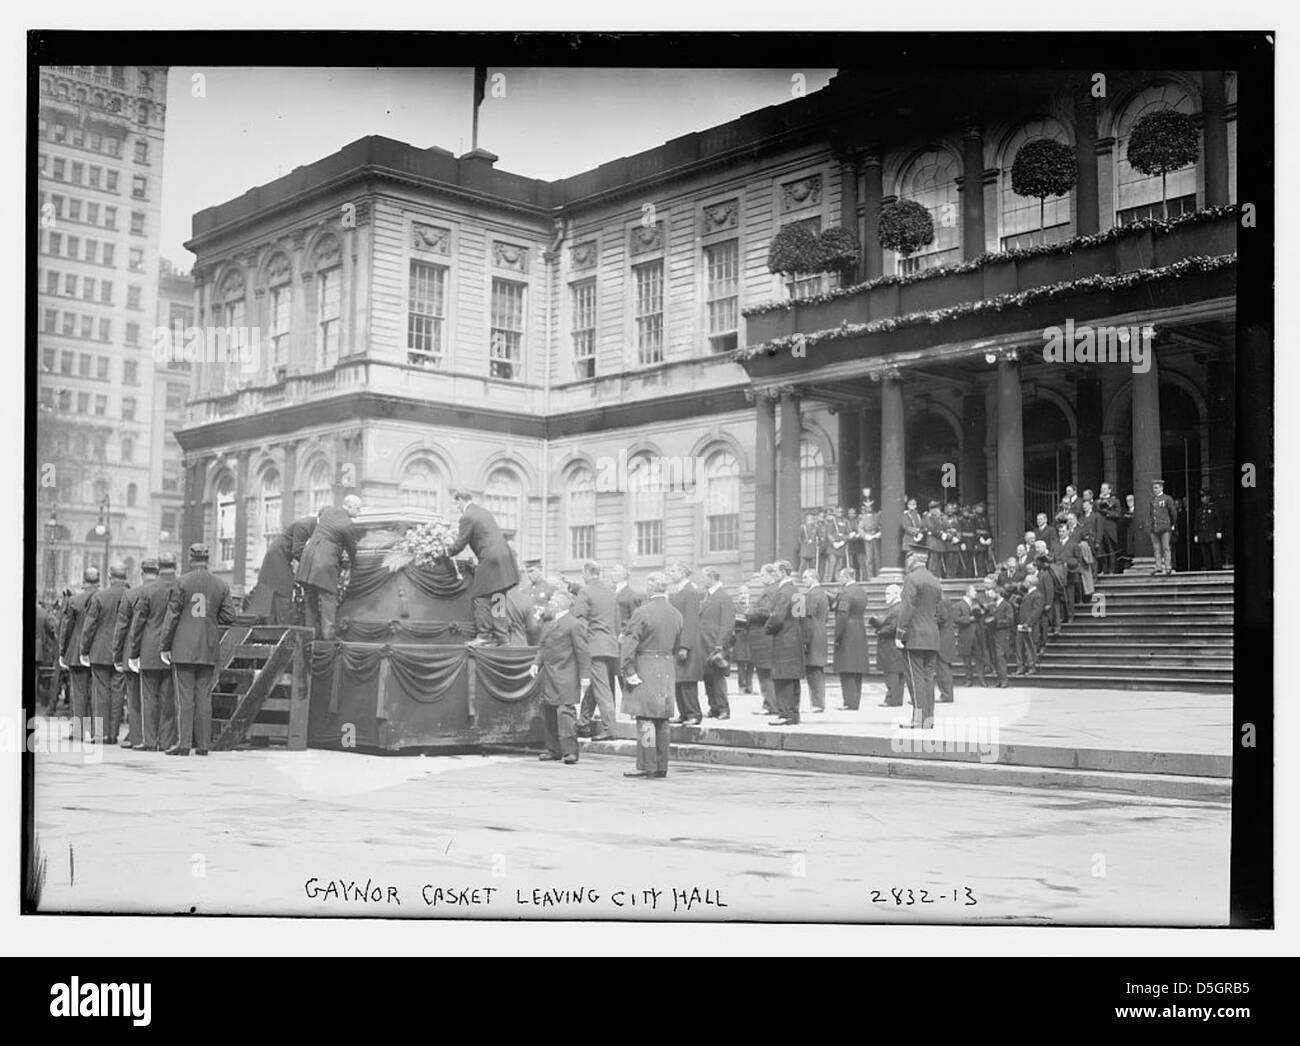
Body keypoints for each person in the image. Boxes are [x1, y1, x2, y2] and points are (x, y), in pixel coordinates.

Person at [160, 543, 236, 756]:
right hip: (208, 648)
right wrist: (211, 618)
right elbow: (230, 617)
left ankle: (183, 743)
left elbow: (172, 616)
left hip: (183, 648)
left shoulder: (181, 582)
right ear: (207, 559)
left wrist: (165, 645)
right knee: (204, 697)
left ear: (190, 559)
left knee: (184, 698)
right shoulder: (221, 585)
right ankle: (203, 745)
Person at [619, 572, 682, 780]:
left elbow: (629, 644)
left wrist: (628, 670)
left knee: (645, 718)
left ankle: (646, 764)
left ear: (651, 588)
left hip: (645, 666)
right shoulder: (676, 614)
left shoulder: (641, 613)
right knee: (663, 720)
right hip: (666, 666)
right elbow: (676, 644)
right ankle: (661, 765)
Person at [441, 489, 519, 645]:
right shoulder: (483, 512)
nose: (456, 507)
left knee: (480, 596)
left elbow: (460, 544)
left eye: (456, 503)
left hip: (490, 559)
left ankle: (483, 636)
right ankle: (502, 637)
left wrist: (445, 551)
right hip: (504, 559)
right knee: (498, 598)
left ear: (461, 500)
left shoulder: (467, 516)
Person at [529, 590, 590, 765]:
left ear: (561, 603)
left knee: (565, 713)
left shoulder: (574, 624)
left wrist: (585, 676)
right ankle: (553, 749)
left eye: (554, 600)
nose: (551, 603)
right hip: (550, 674)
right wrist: (535, 664)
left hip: (566, 675)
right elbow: (543, 647)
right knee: (549, 712)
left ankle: (570, 752)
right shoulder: (549, 623)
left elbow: (582, 652)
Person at [129, 552, 178, 751]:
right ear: (175, 565)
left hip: (149, 649)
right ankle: (165, 741)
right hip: (173, 649)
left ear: (158, 567)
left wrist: (133, 652)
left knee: (149, 698)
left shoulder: (148, 590)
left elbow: (138, 624)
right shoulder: (181, 586)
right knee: (168, 700)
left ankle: (150, 741)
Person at [296, 495, 361, 640]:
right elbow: (353, 550)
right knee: (328, 599)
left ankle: (309, 638)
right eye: (358, 508)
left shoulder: (328, 512)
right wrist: (356, 568)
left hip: (308, 559)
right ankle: (328, 640)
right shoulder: (347, 524)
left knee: (310, 601)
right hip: (324, 562)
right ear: (349, 506)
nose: (359, 512)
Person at [81, 562, 129, 745]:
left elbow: (89, 627)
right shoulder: (131, 595)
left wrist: (84, 650)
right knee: (118, 693)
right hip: (122, 651)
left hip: (100, 651)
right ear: (125, 577)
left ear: (110, 577)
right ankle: (113, 734)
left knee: (100, 692)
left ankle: (99, 734)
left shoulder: (100, 597)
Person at [896, 543, 942, 729]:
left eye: (908, 557)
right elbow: (939, 609)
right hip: (932, 634)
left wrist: (900, 632)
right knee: (928, 677)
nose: (907, 561)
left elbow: (907, 606)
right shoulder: (935, 580)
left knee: (915, 679)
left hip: (915, 635)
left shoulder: (911, 578)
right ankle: (928, 719)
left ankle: (918, 719)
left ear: (914, 558)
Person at [573, 561, 619, 741]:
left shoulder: (585, 591)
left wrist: (583, 642)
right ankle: (583, 723)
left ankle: (610, 729)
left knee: (601, 688)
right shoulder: (611, 593)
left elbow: (579, 620)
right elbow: (617, 620)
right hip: (610, 645)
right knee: (596, 685)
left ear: (586, 572)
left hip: (594, 645)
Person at [246, 514, 316, 624]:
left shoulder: (308, 524)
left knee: (276, 593)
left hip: (280, 558)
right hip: (279, 557)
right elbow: (297, 551)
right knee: (283, 591)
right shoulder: (304, 525)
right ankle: (282, 626)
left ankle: (275, 624)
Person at [112, 560, 151, 749]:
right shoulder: (169, 592)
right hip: (157, 654)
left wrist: (117, 654)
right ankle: (156, 737)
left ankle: (137, 738)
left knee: (134, 698)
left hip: (131, 652)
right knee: (158, 697)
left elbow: (122, 628)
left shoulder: (131, 594)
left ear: (142, 573)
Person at [59, 568, 99, 742]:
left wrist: (62, 651)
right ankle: (95, 731)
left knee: (78, 692)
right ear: (98, 580)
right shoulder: (102, 597)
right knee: (96, 692)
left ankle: (78, 731)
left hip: (76, 651)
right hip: (97, 651)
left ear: (84, 581)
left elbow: (66, 629)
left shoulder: (75, 601)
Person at [764, 561, 804, 726]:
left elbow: (777, 618)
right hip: (795, 638)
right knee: (793, 678)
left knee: (782, 677)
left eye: (775, 571)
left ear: (782, 572)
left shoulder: (782, 593)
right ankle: (793, 714)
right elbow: (801, 616)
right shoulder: (796, 591)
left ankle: (785, 714)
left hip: (783, 639)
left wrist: (767, 628)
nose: (774, 574)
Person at [667, 562, 704, 725]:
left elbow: (690, 621)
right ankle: (684, 713)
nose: (671, 573)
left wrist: (685, 646)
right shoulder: (679, 591)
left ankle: (694, 714)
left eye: (674, 570)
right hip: (677, 642)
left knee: (687, 680)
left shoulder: (690, 592)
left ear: (683, 572)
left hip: (686, 643)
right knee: (679, 679)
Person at [831, 567, 870, 710]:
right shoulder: (861, 592)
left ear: (847, 577)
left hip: (847, 632)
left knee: (846, 669)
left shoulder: (846, 593)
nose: (839, 580)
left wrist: (837, 635)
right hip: (860, 630)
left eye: (841, 577)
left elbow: (842, 615)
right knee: (857, 669)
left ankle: (849, 702)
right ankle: (855, 701)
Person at [699, 567, 735, 720]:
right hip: (705, 642)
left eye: (704, 577)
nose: (702, 580)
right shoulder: (708, 595)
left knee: (718, 677)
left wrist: (720, 644)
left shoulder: (723, 596)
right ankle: (713, 706)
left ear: (712, 577)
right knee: (708, 676)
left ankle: (723, 708)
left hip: (715, 643)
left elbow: (727, 623)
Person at [747, 564, 778, 715]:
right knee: (766, 674)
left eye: (762, 575)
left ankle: (770, 705)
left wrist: (750, 612)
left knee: (766, 674)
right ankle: (769, 704)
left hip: (764, 639)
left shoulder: (770, 591)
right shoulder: (771, 590)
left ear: (771, 575)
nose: (760, 578)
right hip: (765, 639)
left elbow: (765, 612)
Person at [869, 585, 906, 708]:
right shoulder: (898, 608)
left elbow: (892, 627)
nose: (886, 596)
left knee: (892, 673)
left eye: (888, 594)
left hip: (890, 646)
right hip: (895, 646)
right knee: (897, 674)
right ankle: (897, 699)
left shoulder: (896, 609)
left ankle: (891, 699)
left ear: (896, 594)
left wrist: (880, 630)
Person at [800, 568, 829, 713]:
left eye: (805, 577)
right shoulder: (822, 593)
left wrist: (804, 639)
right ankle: (818, 702)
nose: (803, 580)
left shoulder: (812, 594)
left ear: (813, 578)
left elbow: (807, 617)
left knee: (813, 670)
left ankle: (817, 703)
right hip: (821, 632)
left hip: (812, 634)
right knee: (817, 670)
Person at [952, 585, 988, 687]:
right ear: (967, 592)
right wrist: (970, 619)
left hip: (977, 635)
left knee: (979, 658)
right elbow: (956, 619)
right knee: (966, 659)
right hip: (966, 635)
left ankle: (982, 679)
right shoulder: (959, 605)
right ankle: (969, 679)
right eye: (973, 591)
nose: (975, 593)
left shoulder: (976, 604)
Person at [1147, 479, 1179, 576]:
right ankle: (1158, 566)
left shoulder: (1167, 499)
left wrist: (1172, 524)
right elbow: (1152, 514)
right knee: (1156, 548)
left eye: (1156, 488)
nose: (1155, 490)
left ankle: (1168, 566)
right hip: (1155, 527)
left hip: (1165, 526)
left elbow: (1173, 513)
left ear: (1161, 488)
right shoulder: (1152, 500)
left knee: (1166, 547)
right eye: (1154, 488)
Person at [1014, 574, 1043, 676]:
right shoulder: (1027, 594)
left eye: (1026, 581)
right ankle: (1020, 667)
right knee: (1019, 646)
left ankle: (1031, 667)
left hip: (1030, 626)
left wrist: (1028, 623)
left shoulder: (1037, 595)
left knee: (1029, 647)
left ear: (1030, 583)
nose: (1024, 583)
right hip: (1022, 625)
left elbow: (1036, 612)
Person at [988, 585, 1015, 687]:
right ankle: (1000, 679)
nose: (991, 595)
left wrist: (996, 623)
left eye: (993, 593)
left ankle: (1004, 680)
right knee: (995, 657)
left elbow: (1010, 620)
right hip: (993, 634)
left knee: (1000, 657)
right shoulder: (993, 605)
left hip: (1002, 634)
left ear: (998, 593)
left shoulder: (1007, 605)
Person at [1193, 489, 1224, 571]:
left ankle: (1217, 568)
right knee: (1205, 554)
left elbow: (1218, 520)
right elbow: (1197, 524)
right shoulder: (1199, 510)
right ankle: (1208, 567)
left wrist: (1219, 531)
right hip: (1203, 535)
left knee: (1215, 553)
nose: (1203, 499)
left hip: (1212, 534)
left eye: (1205, 497)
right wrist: (1196, 534)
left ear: (1209, 497)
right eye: (1202, 497)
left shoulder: (1214, 508)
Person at [935, 595, 958, 703]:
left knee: (942, 668)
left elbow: (942, 617)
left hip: (942, 638)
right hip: (946, 636)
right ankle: (946, 693)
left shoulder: (940, 600)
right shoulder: (944, 598)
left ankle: (946, 694)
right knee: (943, 667)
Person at [1095, 483, 1122, 574]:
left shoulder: (1115, 501)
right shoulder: (1097, 501)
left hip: (1110, 528)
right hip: (1099, 528)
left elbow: (1118, 514)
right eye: (1102, 488)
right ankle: (1103, 568)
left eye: (1105, 489)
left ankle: (1112, 569)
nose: (1103, 490)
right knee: (1101, 549)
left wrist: (1107, 512)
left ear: (1109, 490)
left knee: (1111, 549)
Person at [859, 497, 881, 580]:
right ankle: (870, 576)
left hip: (876, 537)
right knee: (869, 558)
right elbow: (860, 528)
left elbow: (881, 525)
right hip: (868, 538)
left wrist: (880, 533)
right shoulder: (863, 517)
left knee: (877, 557)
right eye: (867, 507)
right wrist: (864, 535)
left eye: (870, 507)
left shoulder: (876, 516)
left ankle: (878, 575)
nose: (869, 508)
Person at [797, 512, 819, 576]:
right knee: (803, 564)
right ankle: (801, 577)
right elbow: (799, 538)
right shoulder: (803, 527)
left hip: (812, 549)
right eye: (809, 519)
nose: (810, 520)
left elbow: (818, 536)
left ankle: (812, 577)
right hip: (805, 549)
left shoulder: (815, 527)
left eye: (812, 519)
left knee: (812, 565)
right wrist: (804, 543)